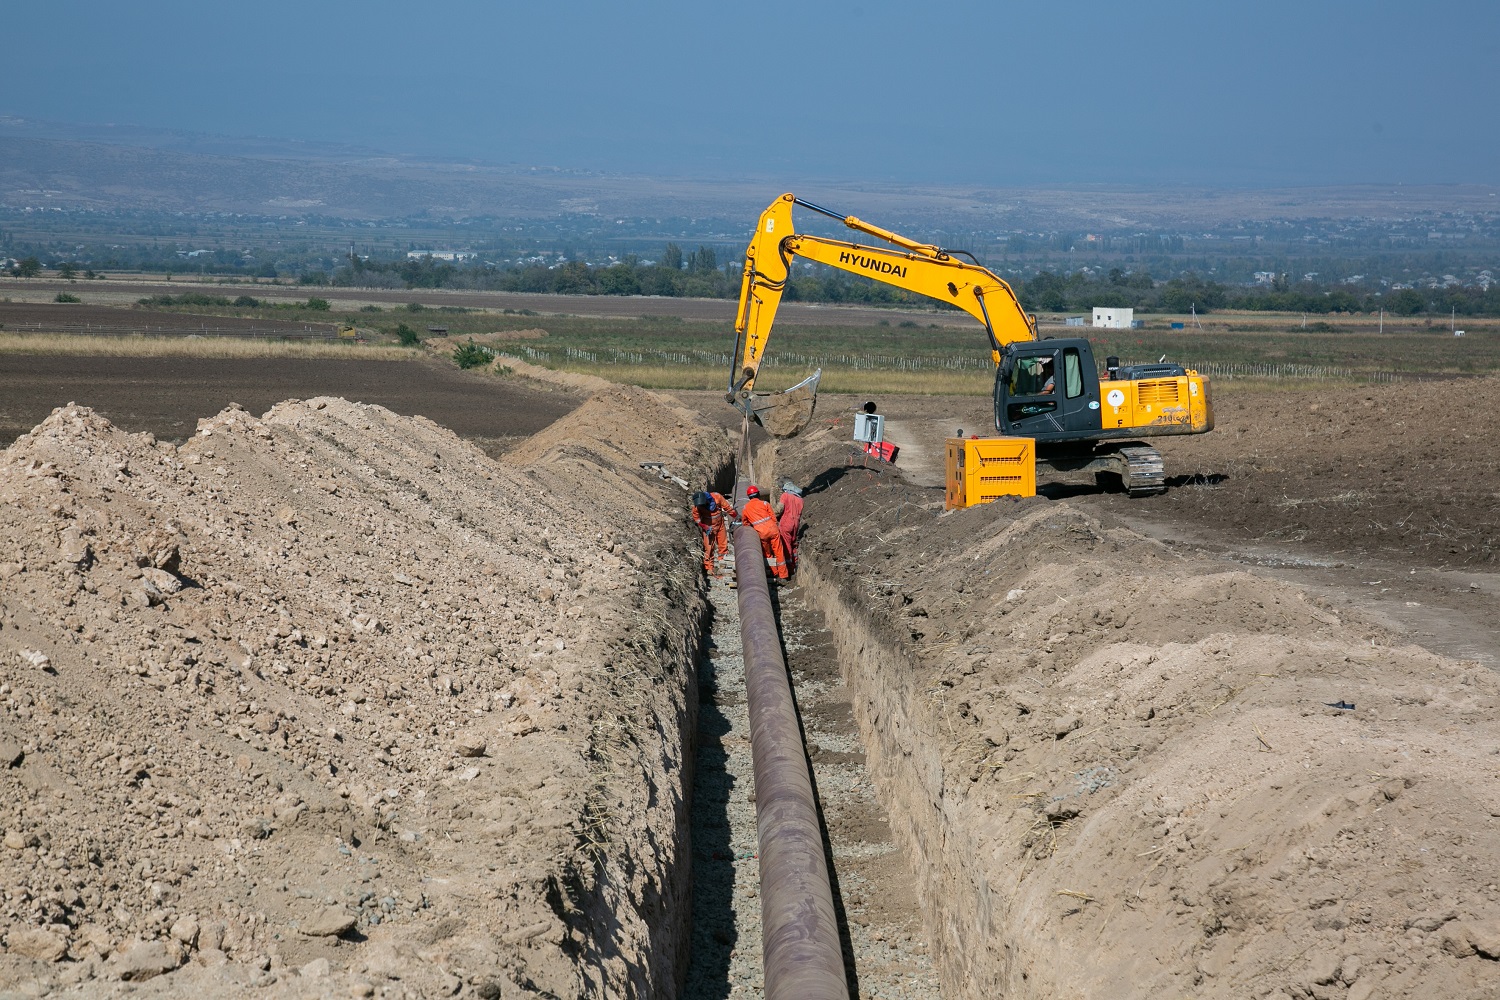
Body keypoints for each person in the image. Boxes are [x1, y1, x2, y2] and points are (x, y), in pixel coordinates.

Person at [739, 485, 788, 581]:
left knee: (767, 553)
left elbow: (745, 523)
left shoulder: (745, 508)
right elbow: (773, 518)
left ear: (749, 497)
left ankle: (774, 573)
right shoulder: (765, 503)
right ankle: (783, 575)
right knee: (779, 552)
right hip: (773, 530)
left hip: (762, 533)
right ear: (758, 494)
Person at [690, 490, 732, 575]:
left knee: (723, 543)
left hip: (720, 524)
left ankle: (723, 562)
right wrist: (704, 526)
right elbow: (696, 518)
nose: (701, 506)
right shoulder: (697, 507)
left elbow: (728, 508)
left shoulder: (717, 497)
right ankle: (708, 567)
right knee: (708, 548)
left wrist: (735, 516)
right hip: (708, 526)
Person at [777, 481, 803, 575]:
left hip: (786, 522)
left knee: (786, 544)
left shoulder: (785, 495)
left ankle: (789, 568)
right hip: (796, 523)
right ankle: (795, 562)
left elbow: (779, 509)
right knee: (793, 543)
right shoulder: (800, 499)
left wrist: (773, 516)